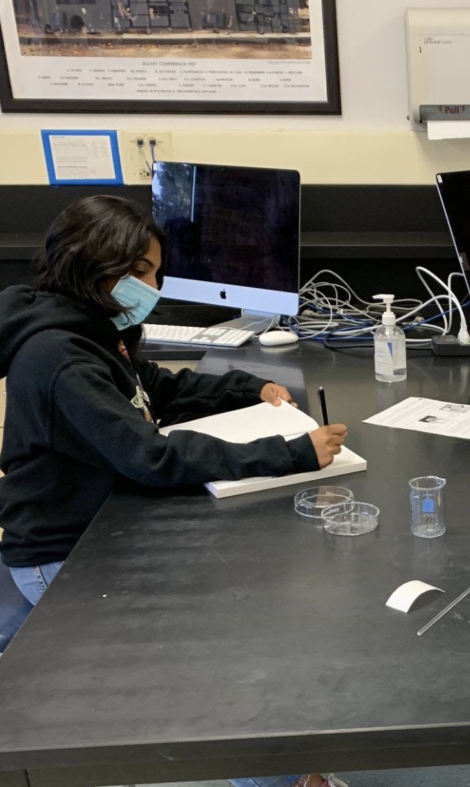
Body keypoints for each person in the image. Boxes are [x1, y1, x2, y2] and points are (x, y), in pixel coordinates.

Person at [0, 196, 352, 787]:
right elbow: (152, 455)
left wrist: (251, 388)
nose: (151, 285)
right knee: (217, 657)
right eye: (138, 271)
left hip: (104, 521)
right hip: (64, 551)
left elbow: (152, 390)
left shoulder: (94, 326)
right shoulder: (59, 357)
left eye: (155, 271)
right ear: (91, 263)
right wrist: (291, 453)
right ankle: (280, 778)